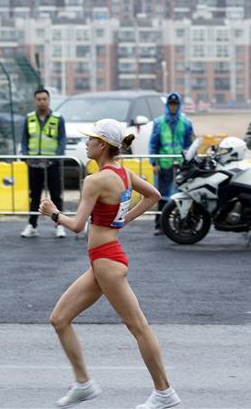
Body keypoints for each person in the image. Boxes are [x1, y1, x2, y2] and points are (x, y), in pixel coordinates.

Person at [40, 119, 181, 409]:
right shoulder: (123, 173)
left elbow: (78, 226)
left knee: (138, 326)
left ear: (102, 145)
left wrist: (53, 214)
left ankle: (165, 393)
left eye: (90, 139)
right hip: (103, 260)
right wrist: (122, 219)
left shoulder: (95, 180)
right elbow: (152, 195)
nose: (86, 144)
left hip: (107, 261)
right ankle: (84, 384)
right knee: (59, 319)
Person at [20, 88, 67, 238]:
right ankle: (32, 225)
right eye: (39, 99)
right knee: (34, 195)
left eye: (44, 99)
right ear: (35, 101)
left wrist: (57, 157)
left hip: (52, 163)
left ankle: (59, 225)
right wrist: (26, 155)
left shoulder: (58, 118)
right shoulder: (29, 118)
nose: (42, 102)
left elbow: (62, 140)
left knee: (56, 195)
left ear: (49, 100)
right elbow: (24, 140)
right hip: (34, 163)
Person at [148, 92, 194, 234]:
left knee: (182, 194)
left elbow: (188, 144)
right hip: (164, 164)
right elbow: (153, 144)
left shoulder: (186, 123)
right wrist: (154, 162)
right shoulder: (159, 122)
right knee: (162, 195)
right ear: (167, 106)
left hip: (180, 165)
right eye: (171, 105)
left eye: (175, 105)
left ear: (179, 106)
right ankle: (160, 225)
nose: (173, 107)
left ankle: (182, 224)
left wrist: (190, 161)